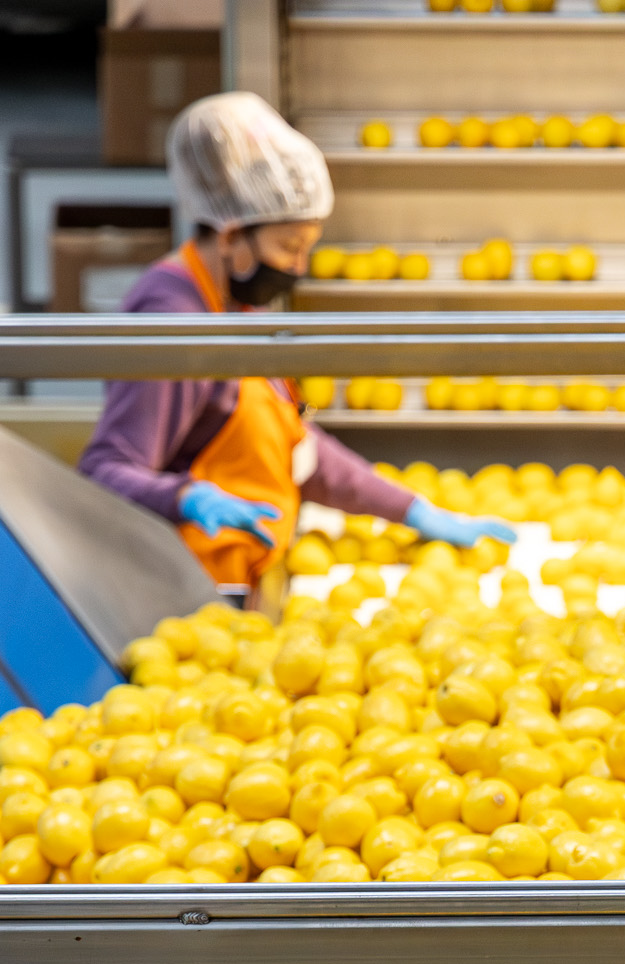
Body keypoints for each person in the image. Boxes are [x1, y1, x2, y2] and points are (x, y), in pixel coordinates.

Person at [79, 92, 512, 600]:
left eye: (307, 249)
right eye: (288, 247)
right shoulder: (175, 325)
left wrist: (411, 509)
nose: (298, 268)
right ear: (232, 234)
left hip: (245, 575)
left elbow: (298, 450)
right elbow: (104, 472)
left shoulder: (232, 307)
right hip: (189, 593)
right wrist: (187, 497)